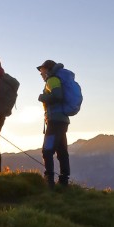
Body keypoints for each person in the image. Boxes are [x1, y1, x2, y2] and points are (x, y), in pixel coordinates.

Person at [37, 59, 70, 187]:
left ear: (47, 70)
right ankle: (64, 181)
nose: (40, 73)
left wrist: (42, 97)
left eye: (41, 70)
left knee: (47, 150)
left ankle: (49, 181)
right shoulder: (55, 80)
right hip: (61, 121)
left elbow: (58, 96)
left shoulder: (52, 80)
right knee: (61, 151)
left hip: (55, 121)